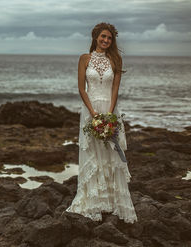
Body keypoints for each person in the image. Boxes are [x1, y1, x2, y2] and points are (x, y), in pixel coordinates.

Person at [65, 23, 137, 223]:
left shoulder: (115, 59)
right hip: (90, 110)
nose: (106, 40)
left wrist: (110, 115)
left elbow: (115, 89)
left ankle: (113, 201)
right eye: (103, 36)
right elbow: (81, 89)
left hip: (110, 110)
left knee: (111, 154)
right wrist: (93, 113)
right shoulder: (84, 59)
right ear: (95, 36)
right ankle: (93, 200)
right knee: (93, 153)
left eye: (110, 38)